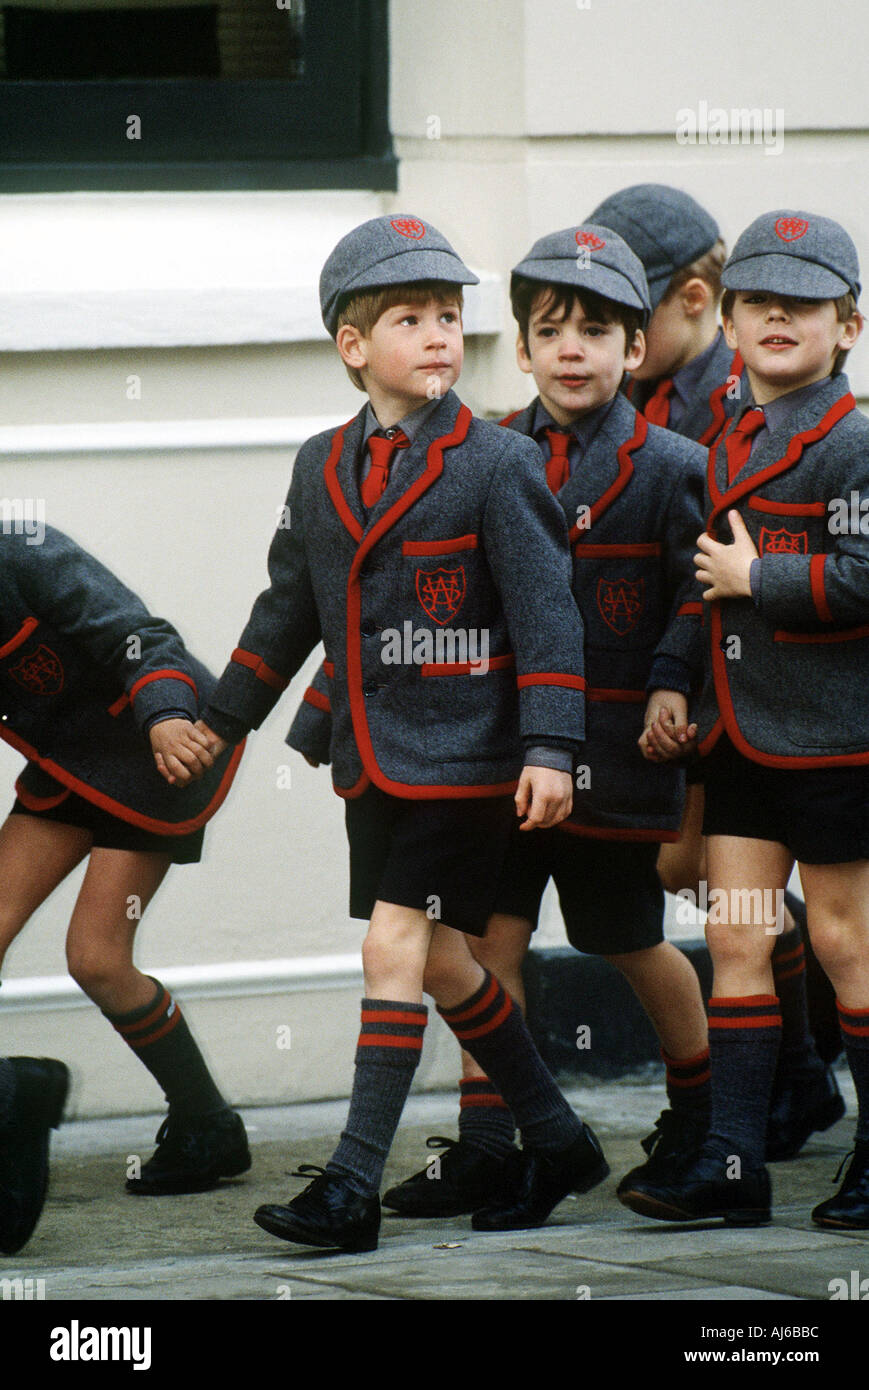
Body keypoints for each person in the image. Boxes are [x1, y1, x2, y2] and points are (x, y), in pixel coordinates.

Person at [183, 213, 609, 1252]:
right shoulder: (319, 464)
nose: (436, 335)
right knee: (446, 964)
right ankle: (557, 1140)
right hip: (371, 761)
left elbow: (548, 613)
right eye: (409, 317)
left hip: (467, 759)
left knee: (392, 947)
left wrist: (551, 747)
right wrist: (220, 717)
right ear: (351, 346)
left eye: (449, 316)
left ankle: (349, 1188)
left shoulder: (497, 464)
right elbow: (289, 606)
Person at [377, 224, 713, 1219]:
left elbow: (701, 594)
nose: (573, 349)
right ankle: (494, 1141)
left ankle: (698, 1115)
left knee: (624, 936)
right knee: (489, 942)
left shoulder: (669, 463)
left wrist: (668, 681)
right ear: (519, 350)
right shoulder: (485, 454)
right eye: (550, 330)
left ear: (634, 351)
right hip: (507, 756)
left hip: (615, 751)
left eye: (596, 330)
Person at [621, 209, 868, 1228]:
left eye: (803, 302)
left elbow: (860, 576)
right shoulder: (719, 439)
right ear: (724, 320)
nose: (778, 315)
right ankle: (730, 1162)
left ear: (846, 327)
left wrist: (757, 573)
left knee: (848, 945)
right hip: (739, 739)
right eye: (758, 300)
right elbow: (698, 587)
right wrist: (671, 678)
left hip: (837, 740)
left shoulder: (851, 442)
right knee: (732, 938)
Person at [0, 524, 248, 1253]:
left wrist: (168, 715)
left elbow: (142, 637)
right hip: (73, 761)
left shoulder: (23, 548)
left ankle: (207, 1124)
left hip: (157, 747)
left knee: (97, 958)